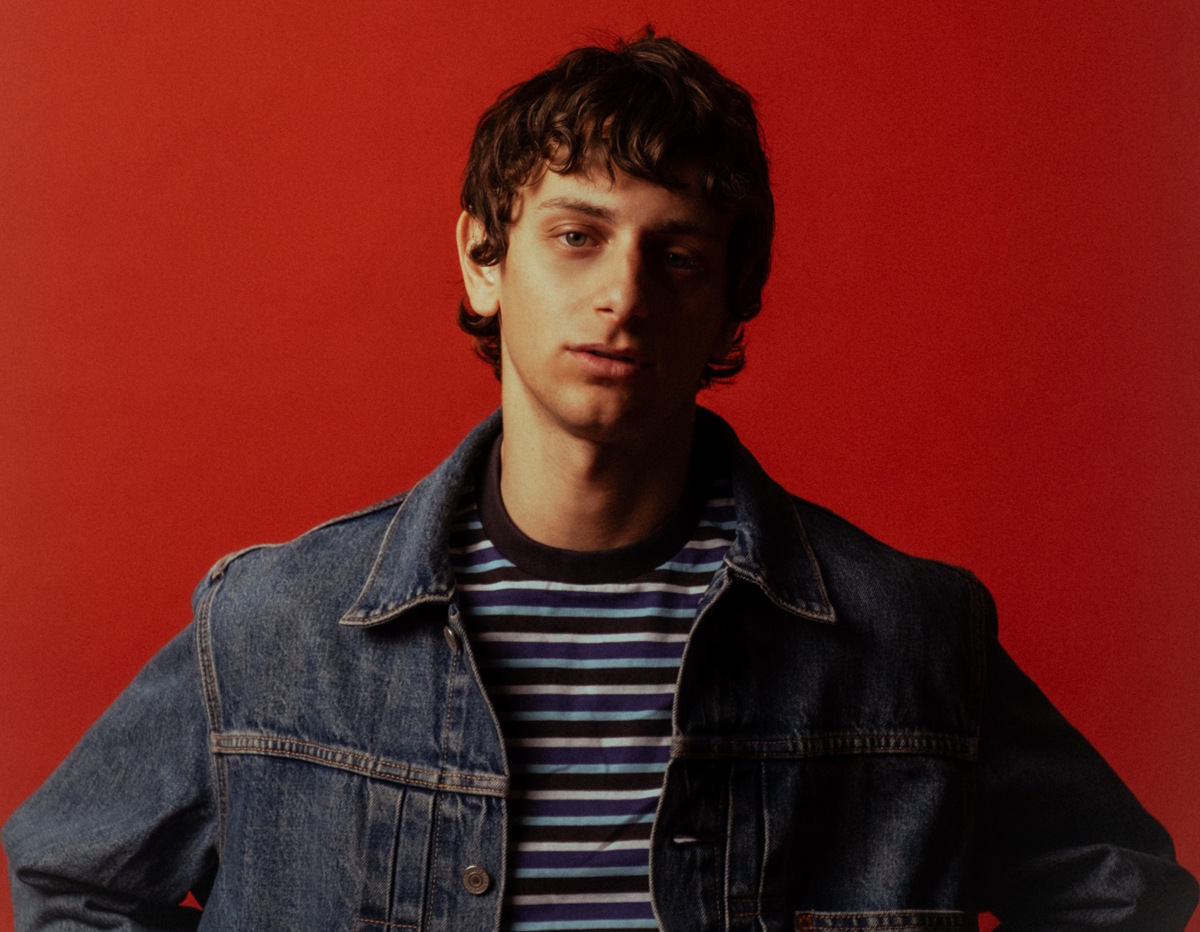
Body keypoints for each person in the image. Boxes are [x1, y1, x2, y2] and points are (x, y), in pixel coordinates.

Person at [4, 29, 1196, 932]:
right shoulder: (277, 627)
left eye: (676, 255)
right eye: (576, 236)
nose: (622, 294)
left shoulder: (904, 634)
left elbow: (1121, 889)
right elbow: (71, 876)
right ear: (484, 259)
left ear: (733, 298)